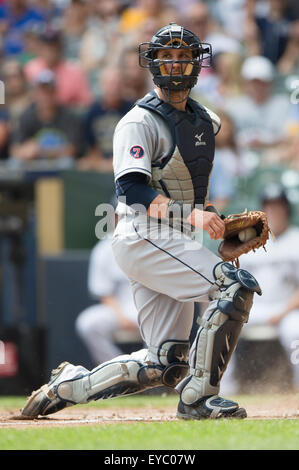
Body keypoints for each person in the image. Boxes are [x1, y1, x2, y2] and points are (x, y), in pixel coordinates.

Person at [21, 23, 262, 421]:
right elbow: (132, 191)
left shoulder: (205, 120)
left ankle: (68, 386)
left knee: (166, 363)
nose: (175, 64)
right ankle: (199, 399)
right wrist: (194, 217)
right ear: (152, 63)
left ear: (197, 63)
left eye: (183, 56)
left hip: (172, 237)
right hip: (142, 234)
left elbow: (187, 192)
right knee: (234, 285)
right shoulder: (138, 122)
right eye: (167, 56)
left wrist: (213, 223)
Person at [221, 184, 299, 393]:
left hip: (288, 310)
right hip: (253, 309)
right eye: (269, 207)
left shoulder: (296, 240)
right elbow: (232, 281)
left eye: (278, 207)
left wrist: (283, 313)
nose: (274, 212)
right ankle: (223, 390)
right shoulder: (249, 241)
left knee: (296, 331)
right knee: (221, 326)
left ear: (287, 210)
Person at [75, 236, 139, 365]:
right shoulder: (105, 247)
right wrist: (121, 317)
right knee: (88, 323)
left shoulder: (157, 240)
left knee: (159, 323)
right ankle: (118, 369)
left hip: (153, 307)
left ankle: (155, 373)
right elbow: (103, 292)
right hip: (120, 307)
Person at [10, 69, 83, 168]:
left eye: (49, 91)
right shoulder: (26, 116)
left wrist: (41, 150)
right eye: (41, 92)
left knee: (67, 163)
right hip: (33, 165)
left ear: (55, 93)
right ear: (35, 94)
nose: (45, 96)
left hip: (57, 165)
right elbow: (14, 150)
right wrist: (25, 151)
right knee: (14, 163)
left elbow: (72, 150)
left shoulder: (68, 116)